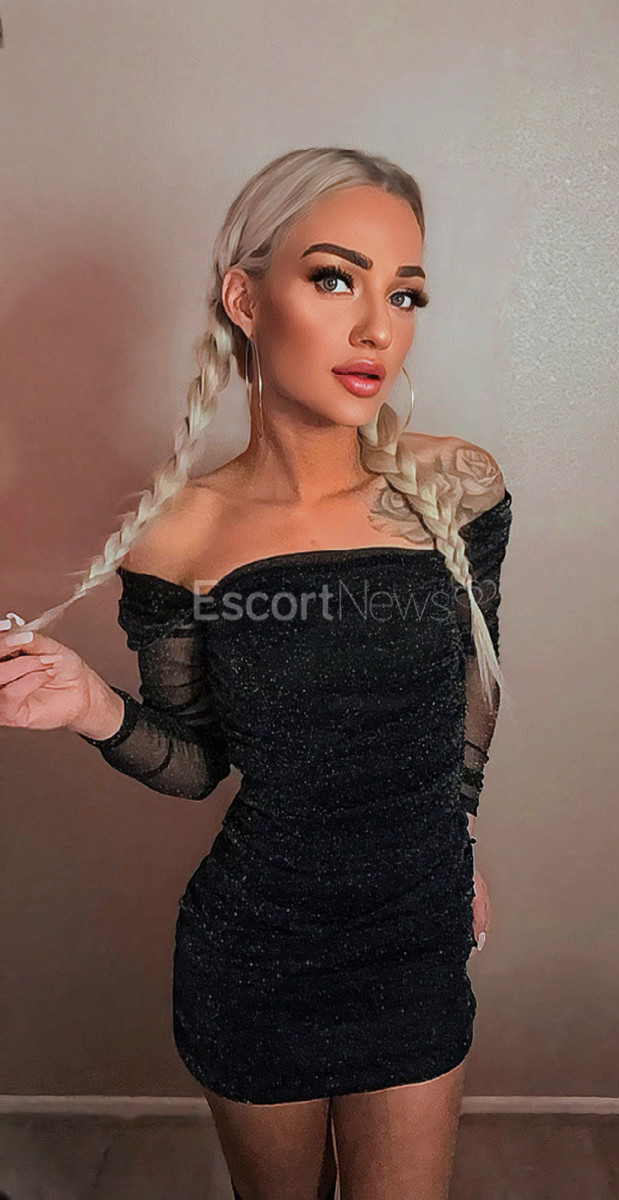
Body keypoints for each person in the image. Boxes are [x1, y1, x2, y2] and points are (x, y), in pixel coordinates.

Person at [0, 147, 512, 1200]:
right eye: (334, 279)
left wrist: (456, 835)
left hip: (415, 931)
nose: (377, 329)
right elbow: (197, 763)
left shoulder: (455, 485)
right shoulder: (177, 537)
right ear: (245, 298)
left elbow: (476, 683)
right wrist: (92, 707)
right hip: (257, 950)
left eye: (403, 293)